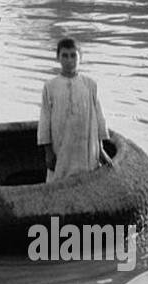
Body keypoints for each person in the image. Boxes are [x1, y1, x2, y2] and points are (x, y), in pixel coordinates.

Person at [37, 37, 112, 182]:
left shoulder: (90, 85)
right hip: (62, 143)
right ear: (58, 58)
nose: (69, 60)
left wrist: (101, 149)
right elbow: (45, 120)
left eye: (73, 55)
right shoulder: (50, 86)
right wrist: (48, 153)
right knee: (60, 179)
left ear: (80, 57)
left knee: (87, 177)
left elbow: (99, 118)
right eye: (64, 55)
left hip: (85, 145)